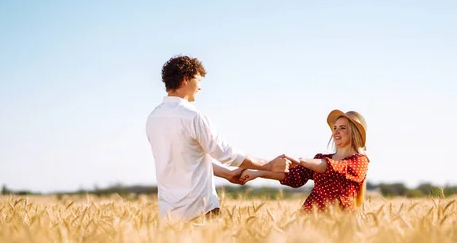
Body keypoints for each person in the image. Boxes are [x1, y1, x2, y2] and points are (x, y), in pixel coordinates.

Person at [146, 55, 291, 221]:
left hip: (168, 214)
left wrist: (228, 175)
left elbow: (186, 159)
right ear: (186, 79)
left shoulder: (153, 117)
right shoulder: (193, 116)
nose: (200, 87)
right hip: (199, 209)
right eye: (198, 80)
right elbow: (226, 153)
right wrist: (269, 165)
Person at [240, 110, 369, 212]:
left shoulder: (360, 161)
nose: (336, 132)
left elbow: (332, 167)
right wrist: (258, 173)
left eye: (342, 128)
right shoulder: (320, 158)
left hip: (338, 223)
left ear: (354, 132)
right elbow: (291, 176)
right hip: (309, 218)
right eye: (334, 128)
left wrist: (300, 161)